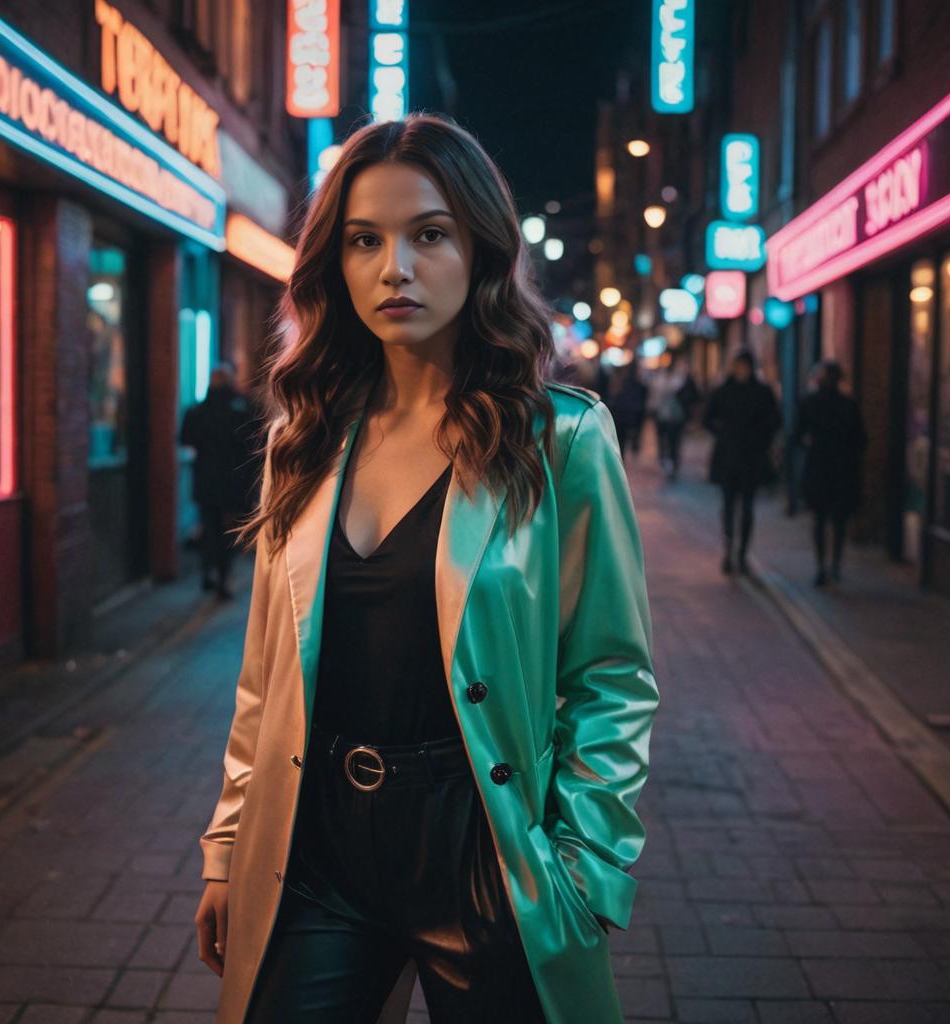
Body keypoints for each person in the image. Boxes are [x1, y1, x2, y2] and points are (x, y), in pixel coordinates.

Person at [192, 113, 658, 1024]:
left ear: (481, 247)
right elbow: (264, 679)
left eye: (429, 235)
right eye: (364, 240)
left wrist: (586, 867)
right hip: (314, 847)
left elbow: (610, 672)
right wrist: (226, 848)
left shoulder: (558, 439)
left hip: (480, 848)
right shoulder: (307, 438)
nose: (393, 268)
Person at [179, 363, 260, 599]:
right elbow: (254, 445)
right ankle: (222, 579)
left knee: (209, 527)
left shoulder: (196, 411)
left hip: (205, 482)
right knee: (228, 532)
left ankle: (207, 573)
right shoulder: (243, 409)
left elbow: (186, 440)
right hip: (234, 483)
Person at [703, 350, 780, 575]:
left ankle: (742, 554)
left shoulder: (762, 392)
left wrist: (758, 438)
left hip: (751, 457)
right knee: (727, 506)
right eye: (737, 365)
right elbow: (708, 419)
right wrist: (723, 433)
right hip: (728, 457)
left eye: (744, 366)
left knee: (747, 507)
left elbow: (774, 421)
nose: (740, 370)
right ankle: (728, 551)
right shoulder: (723, 391)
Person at [794, 361, 867, 587]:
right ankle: (835, 563)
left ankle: (821, 566)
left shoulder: (811, 403)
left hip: (819, 467)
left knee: (819, 519)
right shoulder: (849, 405)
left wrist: (810, 445)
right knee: (839, 521)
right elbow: (861, 440)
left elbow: (797, 435)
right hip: (843, 470)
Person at [646, 352, 698, 480]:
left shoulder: (682, 377)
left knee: (674, 442)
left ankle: (673, 465)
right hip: (662, 415)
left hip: (676, 416)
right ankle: (666, 462)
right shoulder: (660, 376)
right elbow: (653, 394)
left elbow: (691, 396)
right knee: (662, 441)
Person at [605, 360, 648, 459]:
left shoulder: (621, 382)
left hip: (618, 416)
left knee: (619, 442)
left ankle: (619, 460)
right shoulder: (632, 383)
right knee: (622, 442)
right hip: (624, 417)